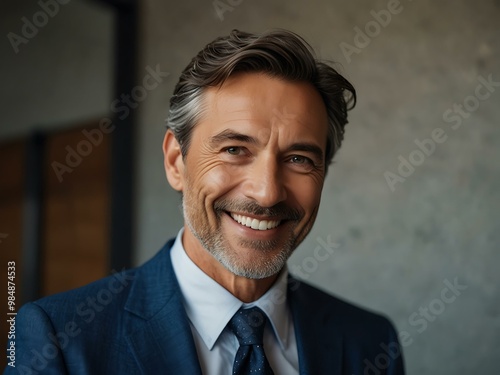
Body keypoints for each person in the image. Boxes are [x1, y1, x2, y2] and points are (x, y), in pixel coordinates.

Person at [6, 29, 405, 375]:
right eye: (234, 149)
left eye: (299, 159)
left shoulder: (370, 343)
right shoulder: (60, 338)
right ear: (176, 162)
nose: (266, 192)